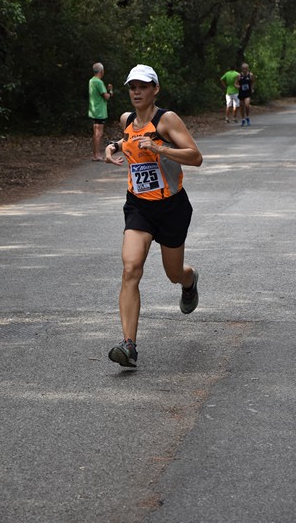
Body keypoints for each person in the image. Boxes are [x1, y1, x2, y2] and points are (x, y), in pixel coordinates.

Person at [105, 64, 203, 368]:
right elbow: (129, 141)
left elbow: (196, 157)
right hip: (138, 206)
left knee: (173, 274)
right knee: (131, 268)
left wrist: (161, 149)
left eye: (143, 86)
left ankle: (189, 281)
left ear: (154, 89)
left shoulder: (167, 120)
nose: (136, 92)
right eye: (132, 87)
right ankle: (129, 346)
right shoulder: (126, 120)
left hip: (172, 207)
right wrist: (113, 146)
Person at [88, 62, 113, 161]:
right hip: (99, 111)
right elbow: (106, 96)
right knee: (99, 133)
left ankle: (95, 153)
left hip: (93, 110)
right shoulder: (99, 82)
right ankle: (97, 154)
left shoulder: (91, 81)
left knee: (95, 133)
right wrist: (110, 91)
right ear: (101, 71)